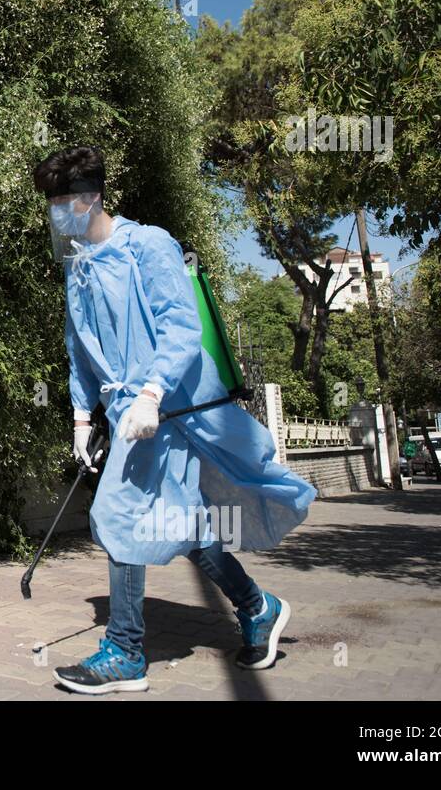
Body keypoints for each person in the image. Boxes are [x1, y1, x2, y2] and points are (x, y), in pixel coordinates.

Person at [33, 145, 316, 695]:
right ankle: (258, 608)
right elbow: (79, 347)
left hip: (172, 411)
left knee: (120, 516)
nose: (56, 213)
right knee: (179, 523)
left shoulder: (148, 246)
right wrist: (81, 416)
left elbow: (181, 326)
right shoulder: (79, 268)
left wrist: (152, 394)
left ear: (90, 198)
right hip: (128, 416)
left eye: (62, 202)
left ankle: (125, 651)